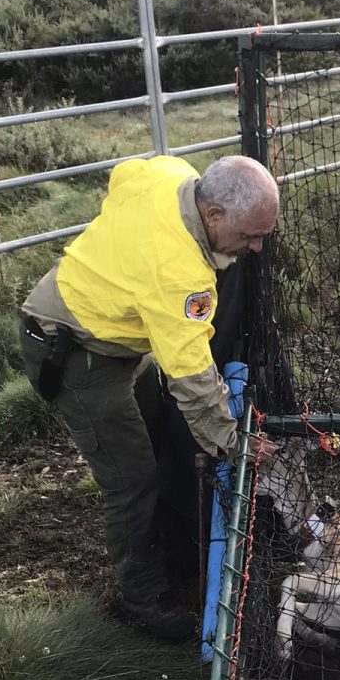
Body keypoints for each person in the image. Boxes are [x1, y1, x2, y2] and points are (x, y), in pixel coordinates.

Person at [19, 153, 279, 640]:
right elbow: (191, 376)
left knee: (156, 437)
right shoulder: (180, 274)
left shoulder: (172, 175)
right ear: (214, 215)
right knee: (131, 478)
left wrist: (120, 256)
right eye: (249, 236)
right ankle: (143, 598)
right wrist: (233, 441)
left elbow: (123, 175)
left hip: (116, 339)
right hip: (74, 353)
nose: (257, 247)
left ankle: (165, 548)